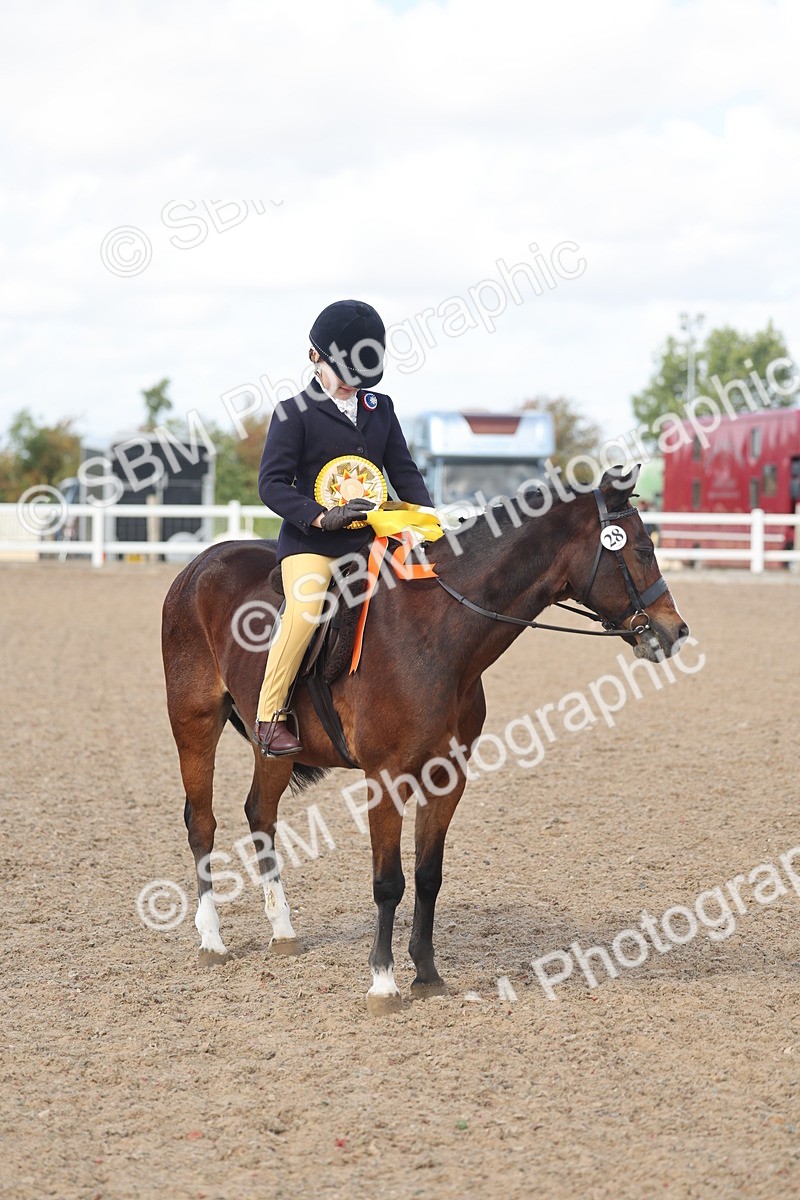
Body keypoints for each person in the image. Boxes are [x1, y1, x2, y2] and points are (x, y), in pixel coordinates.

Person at [254, 299, 433, 756]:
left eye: (361, 375)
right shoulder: (292, 413)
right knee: (307, 607)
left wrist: (429, 519)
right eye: (344, 371)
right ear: (315, 357)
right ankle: (269, 715)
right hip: (312, 541)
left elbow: (403, 469)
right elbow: (271, 484)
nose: (353, 383)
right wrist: (317, 515)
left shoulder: (380, 407)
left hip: (369, 538)